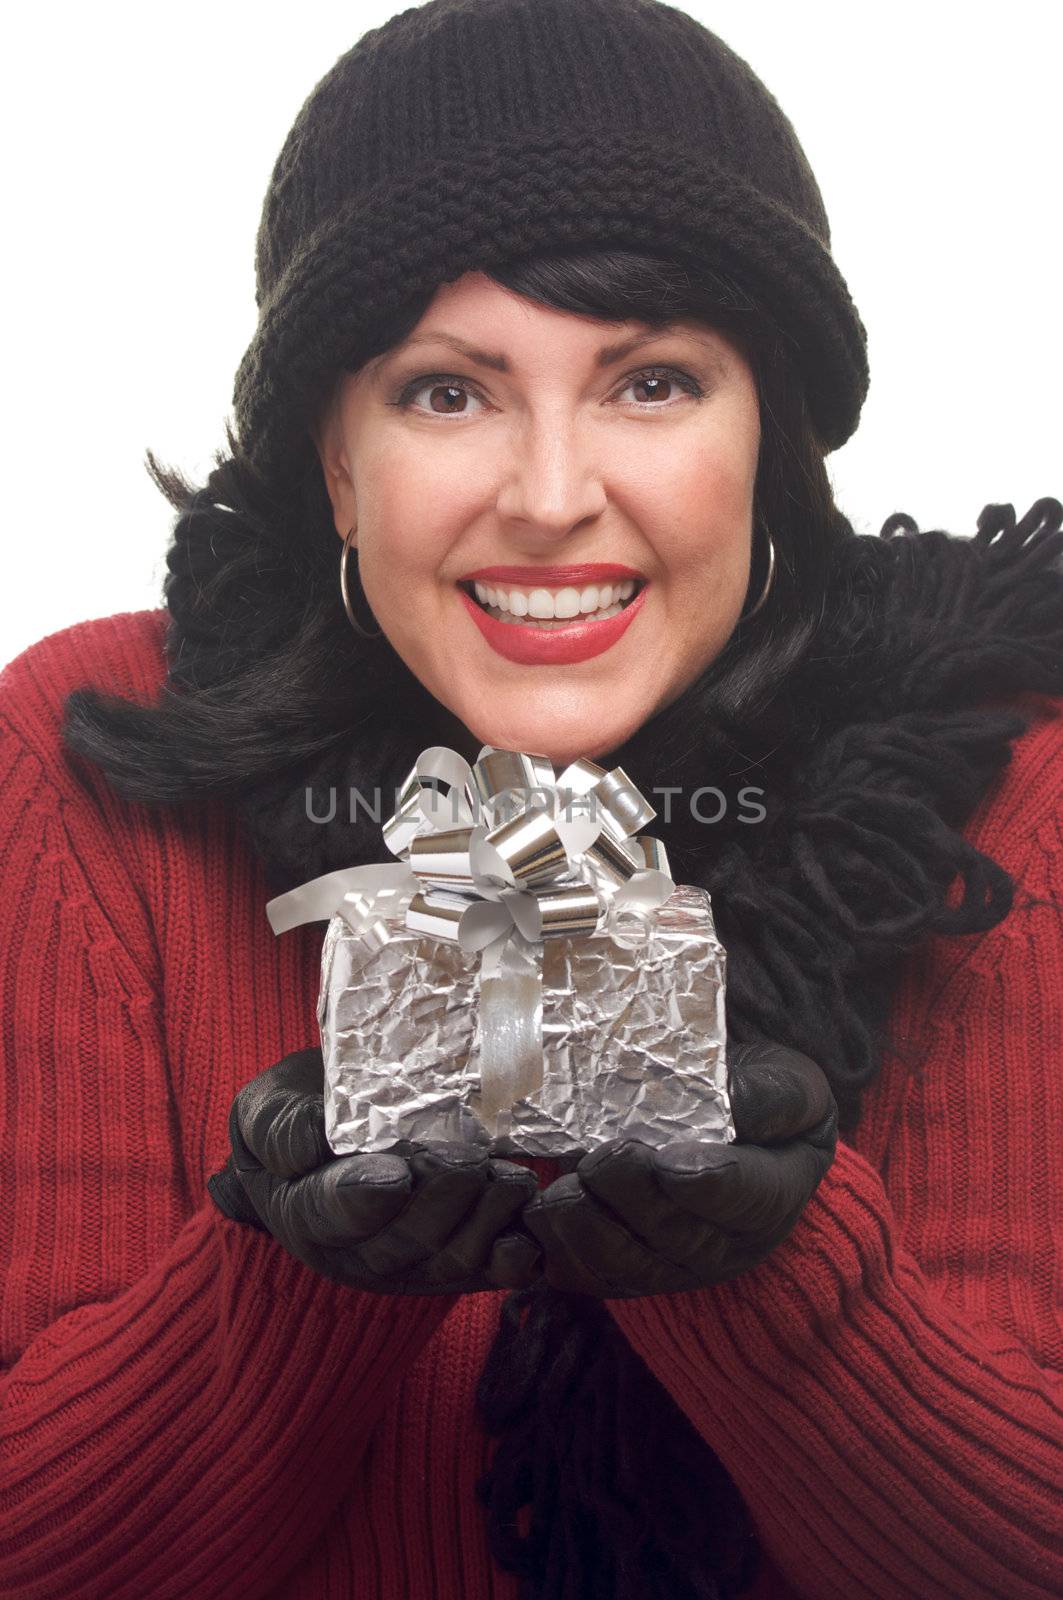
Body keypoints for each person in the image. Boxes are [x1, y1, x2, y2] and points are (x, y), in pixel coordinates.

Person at [1, 1, 1061, 1597]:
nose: (554, 498)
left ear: (771, 434)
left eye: (651, 384)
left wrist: (775, 1283)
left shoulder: (990, 789)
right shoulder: (85, 753)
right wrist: (288, 1279)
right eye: (447, 392)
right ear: (335, 461)